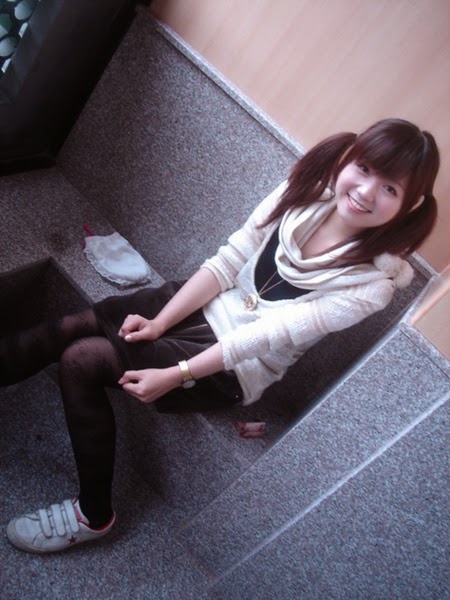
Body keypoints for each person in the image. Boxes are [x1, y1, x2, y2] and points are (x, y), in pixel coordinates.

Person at [2, 118, 440, 554]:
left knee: (82, 359)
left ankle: (93, 515)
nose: (366, 192)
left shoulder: (372, 286)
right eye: (364, 168)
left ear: (410, 205)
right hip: (206, 306)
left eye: (390, 188)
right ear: (348, 158)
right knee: (72, 326)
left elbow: (270, 334)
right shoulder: (301, 193)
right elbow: (228, 262)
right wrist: (160, 322)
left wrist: (176, 374)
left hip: (237, 365)